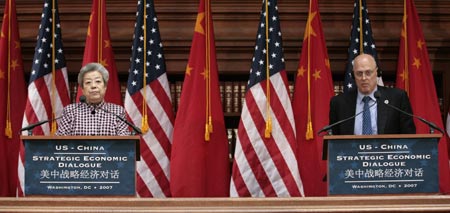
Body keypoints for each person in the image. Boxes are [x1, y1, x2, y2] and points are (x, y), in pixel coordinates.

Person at [328, 53, 416, 135]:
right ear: (353, 75)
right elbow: (333, 142)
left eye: (368, 73)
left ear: (377, 72)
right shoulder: (339, 103)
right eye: (359, 73)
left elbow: (409, 137)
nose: (364, 78)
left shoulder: (397, 98)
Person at [56, 62, 130, 136]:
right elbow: (59, 142)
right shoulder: (70, 111)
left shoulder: (117, 112)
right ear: (82, 89)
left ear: (105, 87)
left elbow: (125, 142)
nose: (93, 86)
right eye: (88, 82)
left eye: (98, 81)